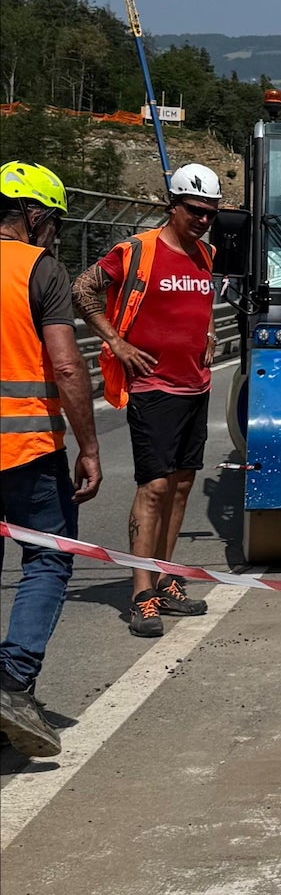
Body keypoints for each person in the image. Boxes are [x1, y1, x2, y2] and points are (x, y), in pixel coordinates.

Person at [74, 163, 221, 638]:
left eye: (211, 213)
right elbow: (82, 289)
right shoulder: (137, 251)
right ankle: (142, 594)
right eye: (195, 210)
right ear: (173, 206)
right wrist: (116, 342)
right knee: (154, 488)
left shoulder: (206, 254)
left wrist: (209, 332)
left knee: (181, 486)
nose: (203, 220)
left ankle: (164, 578)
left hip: (196, 385)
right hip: (153, 388)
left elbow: (199, 305)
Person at [0, 162, 103, 758]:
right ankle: (13, 682)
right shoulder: (39, 269)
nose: (55, 233)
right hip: (26, 450)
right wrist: (89, 446)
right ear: (33, 214)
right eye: (54, 222)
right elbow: (66, 365)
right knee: (47, 558)